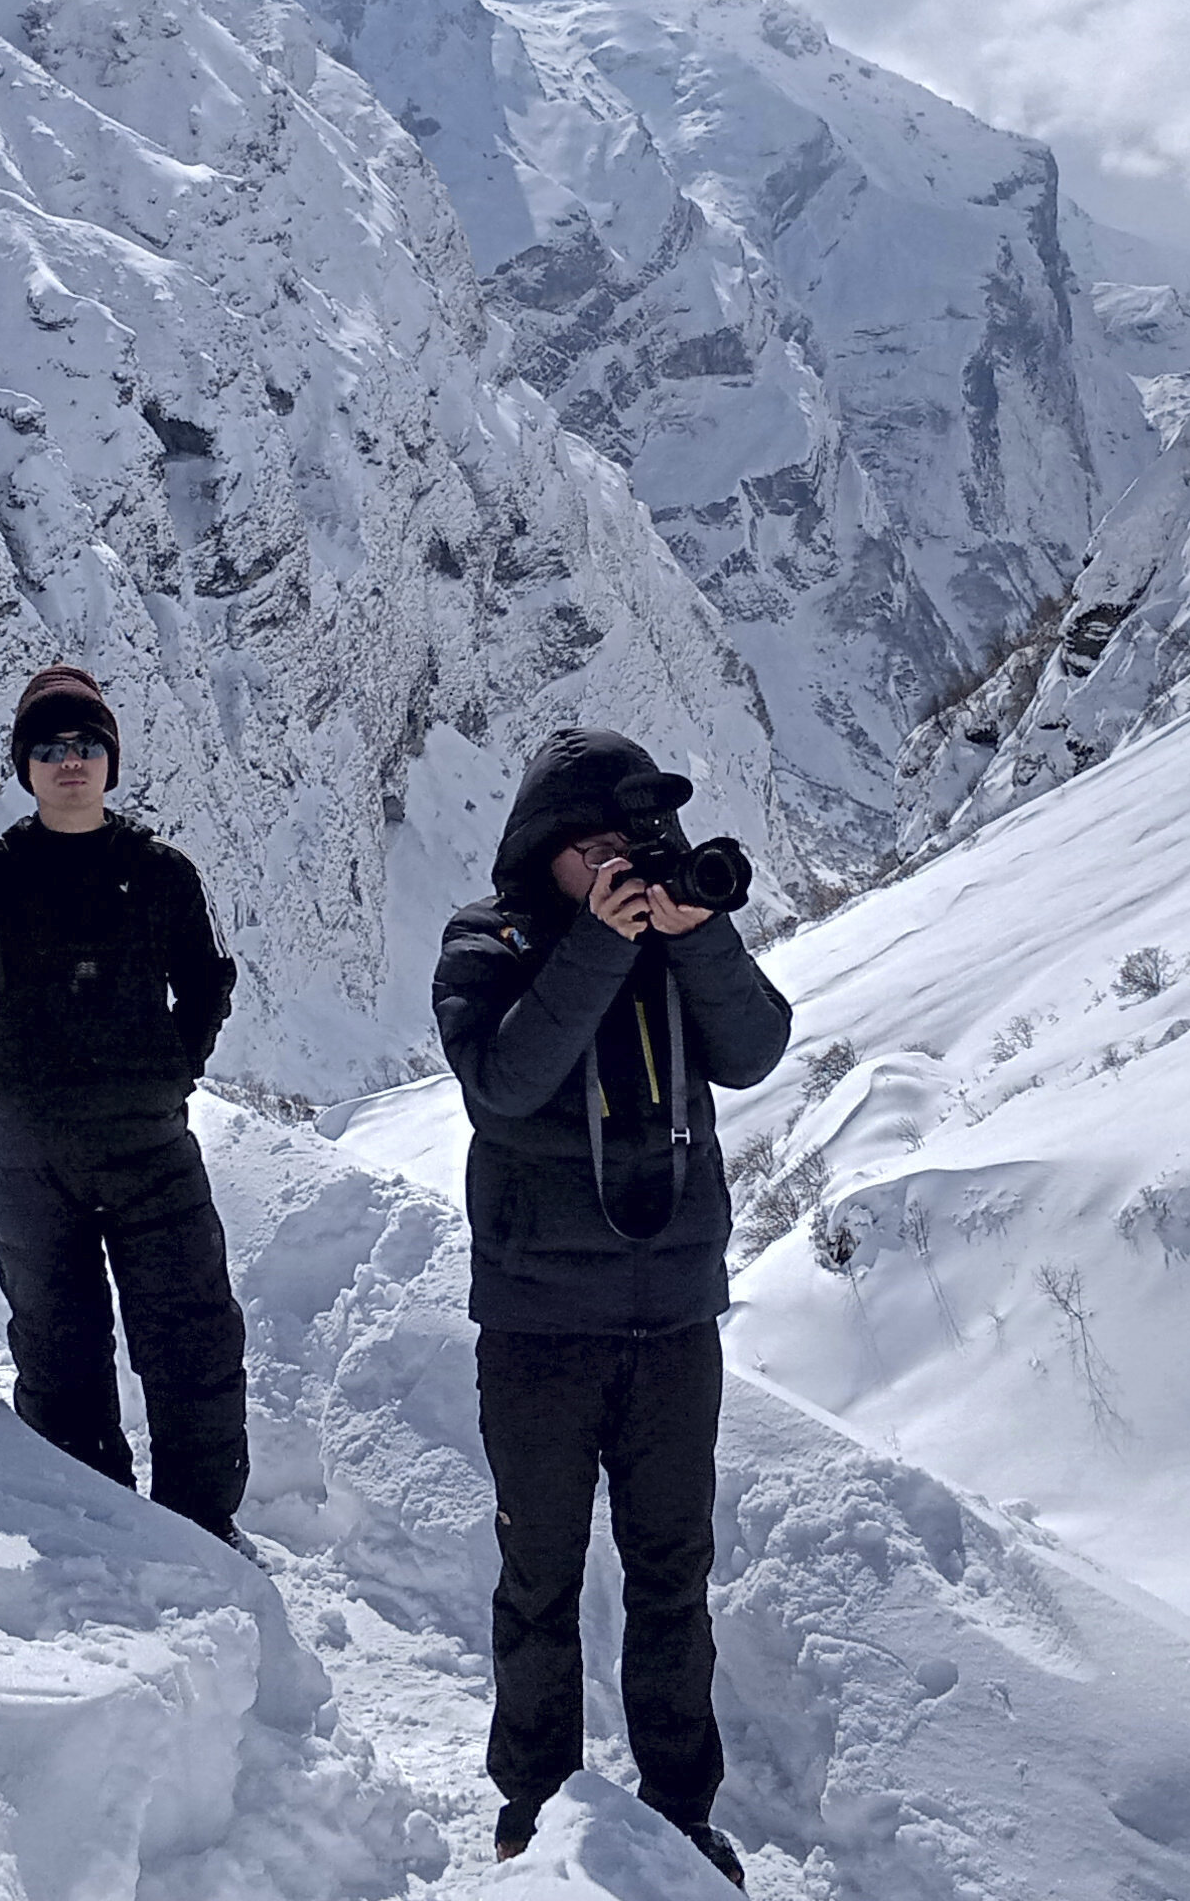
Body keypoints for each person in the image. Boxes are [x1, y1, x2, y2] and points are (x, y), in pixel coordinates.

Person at [431, 730, 793, 1888]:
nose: (626, 865)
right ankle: (532, 1806)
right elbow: (503, 1085)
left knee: (672, 1575)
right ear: (545, 851)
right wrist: (595, 947)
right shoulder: (490, 940)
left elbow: (758, 1048)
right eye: (596, 846)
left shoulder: (674, 938)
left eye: (636, 843)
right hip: (539, 1326)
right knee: (539, 1572)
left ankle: (680, 1811)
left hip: (677, 1316)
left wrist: (703, 941)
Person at [0, 665, 248, 1545]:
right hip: (26, 1148)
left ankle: (201, 1523)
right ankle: (92, 1510)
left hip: (147, 1143)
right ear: (26, 768)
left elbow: (208, 979)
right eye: (50, 749)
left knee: (191, 1332)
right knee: (56, 1338)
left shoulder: (161, 872)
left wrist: (173, 1072)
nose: (70, 761)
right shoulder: (1, 871)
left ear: (110, 763)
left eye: (85, 746)